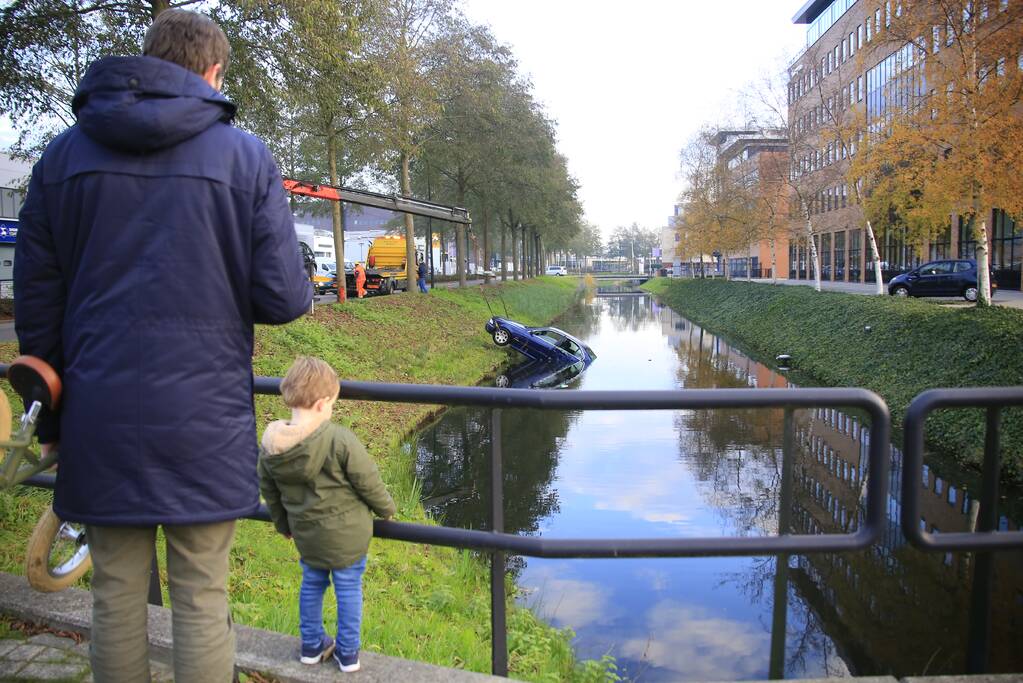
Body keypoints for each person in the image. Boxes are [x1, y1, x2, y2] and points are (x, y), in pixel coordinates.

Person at [13, 9, 313, 682]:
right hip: (203, 417)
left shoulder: (62, 157)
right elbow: (284, 299)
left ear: (148, 61)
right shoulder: (245, 157)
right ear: (213, 73)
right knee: (202, 594)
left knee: (115, 593)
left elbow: (38, 303)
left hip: (97, 413)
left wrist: (55, 422)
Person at [258, 356, 396, 672]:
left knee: (311, 584)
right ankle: (347, 653)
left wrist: (282, 524)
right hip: (348, 536)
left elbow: (270, 492)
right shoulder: (338, 439)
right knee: (348, 589)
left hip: (306, 534)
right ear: (322, 404)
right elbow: (367, 480)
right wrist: (386, 508)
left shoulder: (271, 447)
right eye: (332, 403)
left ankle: (311, 645)